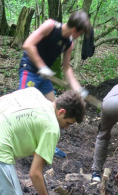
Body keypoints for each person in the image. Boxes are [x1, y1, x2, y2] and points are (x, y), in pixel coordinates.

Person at [20, 10, 92, 159]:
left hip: (45, 75)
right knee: (23, 107)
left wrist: (77, 88)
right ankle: (21, 144)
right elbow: (27, 45)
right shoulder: (50, 26)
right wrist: (41, 66)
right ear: (74, 30)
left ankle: (48, 146)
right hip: (31, 70)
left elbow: (67, 67)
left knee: (54, 108)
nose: (79, 37)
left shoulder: (69, 44)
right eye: (80, 33)